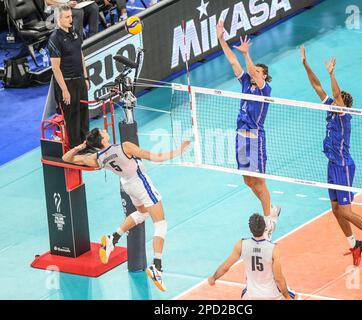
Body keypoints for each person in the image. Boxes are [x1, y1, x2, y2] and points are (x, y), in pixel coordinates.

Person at [62, 128, 191, 292]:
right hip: (141, 184)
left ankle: (113, 238)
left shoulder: (97, 158)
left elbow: (66, 158)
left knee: (143, 213)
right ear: (102, 139)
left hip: (128, 186)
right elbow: (155, 157)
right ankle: (157, 266)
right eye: (102, 131)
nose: (105, 129)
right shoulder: (125, 147)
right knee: (161, 224)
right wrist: (179, 151)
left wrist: (80, 147)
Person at [300, 45, 362, 266]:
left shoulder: (344, 115)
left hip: (344, 166)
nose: (335, 102)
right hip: (331, 164)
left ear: (344, 106)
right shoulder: (330, 108)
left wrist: (331, 73)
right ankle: (354, 244)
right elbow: (316, 86)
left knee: (346, 211)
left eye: (338, 102)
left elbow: (336, 94)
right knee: (336, 209)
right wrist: (305, 65)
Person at [216, 20, 281, 240]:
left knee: (259, 182)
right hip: (240, 138)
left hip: (255, 140)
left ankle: (269, 220)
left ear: (264, 76)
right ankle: (271, 209)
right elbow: (233, 61)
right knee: (247, 181)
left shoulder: (265, 89)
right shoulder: (245, 83)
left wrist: (247, 55)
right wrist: (221, 39)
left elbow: (249, 67)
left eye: (258, 72)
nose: (253, 73)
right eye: (254, 71)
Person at [208, 213, 296, 300]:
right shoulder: (273, 248)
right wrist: (287, 297)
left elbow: (225, 267)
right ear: (265, 227)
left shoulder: (241, 245)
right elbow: (279, 278)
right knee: (294, 296)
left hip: (251, 296)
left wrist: (213, 278)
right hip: (272, 295)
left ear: (250, 229)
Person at [48, 5, 90, 148]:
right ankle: (77, 151)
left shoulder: (75, 32)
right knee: (73, 121)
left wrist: (85, 77)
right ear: (59, 19)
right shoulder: (55, 38)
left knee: (84, 116)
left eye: (71, 16)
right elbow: (55, 67)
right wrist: (64, 90)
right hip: (67, 84)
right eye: (67, 17)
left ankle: (87, 146)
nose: (71, 20)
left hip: (80, 80)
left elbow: (80, 55)